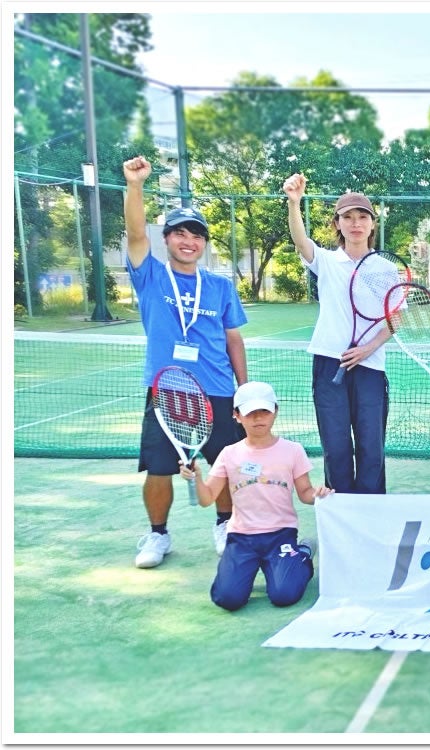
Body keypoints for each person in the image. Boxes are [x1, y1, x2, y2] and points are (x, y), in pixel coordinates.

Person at [122, 156, 248, 569]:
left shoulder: (220, 286)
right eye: (179, 233)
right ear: (168, 240)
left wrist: (243, 391)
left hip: (217, 390)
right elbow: (136, 233)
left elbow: (233, 339)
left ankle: (225, 524)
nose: (188, 240)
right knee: (158, 470)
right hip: (166, 390)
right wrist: (135, 186)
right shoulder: (151, 276)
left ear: (204, 243)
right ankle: (158, 535)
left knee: (224, 466)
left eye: (196, 234)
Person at [181, 382, 331, 611]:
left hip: (281, 535)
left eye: (264, 411)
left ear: (275, 412)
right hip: (241, 538)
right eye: (250, 413)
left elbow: (305, 493)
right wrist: (196, 479)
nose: (258, 418)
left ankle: (302, 554)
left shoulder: (293, 450)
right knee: (227, 599)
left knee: (284, 595)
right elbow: (207, 497)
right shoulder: (229, 454)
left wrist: (319, 494)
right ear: (237, 416)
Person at [283, 174, 390, 494]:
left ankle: (371, 519)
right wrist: (294, 202)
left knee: (372, 450)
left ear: (372, 225)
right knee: (337, 447)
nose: (355, 223)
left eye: (362, 217)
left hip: (370, 368)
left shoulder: (384, 268)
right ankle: (341, 522)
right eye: (348, 217)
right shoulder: (327, 262)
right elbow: (300, 240)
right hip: (329, 364)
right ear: (338, 225)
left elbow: (394, 319)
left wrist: (367, 348)